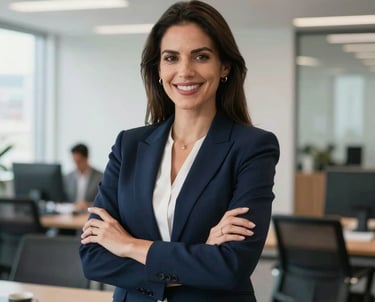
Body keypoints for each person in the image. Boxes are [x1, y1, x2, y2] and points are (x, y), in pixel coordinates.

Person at [80, 1, 279, 301]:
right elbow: (93, 257)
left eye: (201, 56)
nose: (184, 71)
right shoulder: (129, 145)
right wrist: (199, 258)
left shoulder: (252, 148)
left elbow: (231, 266)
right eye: (171, 58)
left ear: (224, 65)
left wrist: (128, 246)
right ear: (158, 68)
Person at [64, 143, 103, 210]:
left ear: (87, 158)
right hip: (71, 213)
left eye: (79, 162)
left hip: (90, 213)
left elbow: (103, 200)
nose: (76, 165)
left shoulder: (100, 176)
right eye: (74, 161)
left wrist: (88, 204)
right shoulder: (67, 177)